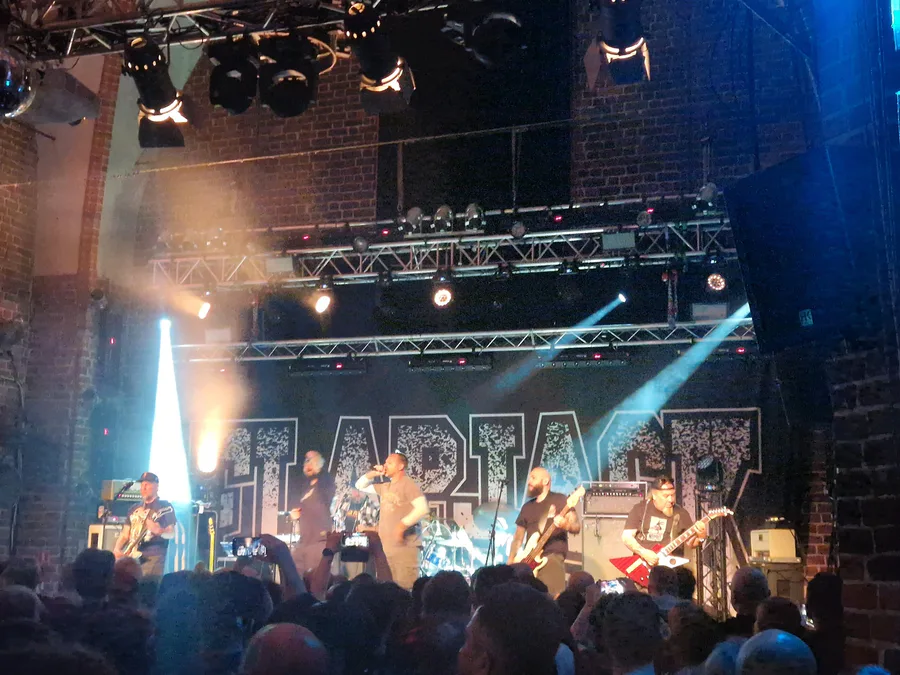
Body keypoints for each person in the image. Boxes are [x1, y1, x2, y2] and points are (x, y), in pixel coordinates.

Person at [355, 452, 430, 589]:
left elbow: (422, 508)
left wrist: (402, 526)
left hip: (404, 550)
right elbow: (360, 485)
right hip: (386, 549)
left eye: (389, 463)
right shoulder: (385, 487)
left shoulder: (407, 483)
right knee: (386, 592)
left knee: (404, 590)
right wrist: (374, 473)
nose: (385, 465)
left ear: (400, 466)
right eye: (385, 462)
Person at [507, 467, 581, 598]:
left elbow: (576, 527)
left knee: (550, 598)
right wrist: (511, 560)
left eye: (533, 478)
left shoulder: (560, 500)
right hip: (529, 561)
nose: (529, 481)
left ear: (545, 481)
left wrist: (565, 524)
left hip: (552, 556)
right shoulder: (527, 507)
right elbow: (518, 538)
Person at [621, 475, 705, 569]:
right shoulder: (640, 509)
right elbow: (626, 538)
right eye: (666, 496)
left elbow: (691, 544)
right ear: (654, 495)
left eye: (672, 495)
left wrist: (701, 537)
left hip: (670, 570)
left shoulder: (681, 513)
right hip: (642, 566)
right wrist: (644, 553)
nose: (671, 499)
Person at [113, 472, 176, 577]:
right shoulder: (134, 508)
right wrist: (117, 549)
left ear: (157, 486)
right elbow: (125, 534)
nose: (144, 487)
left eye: (147, 484)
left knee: (146, 585)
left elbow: (171, 533)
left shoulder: (165, 507)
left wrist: (159, 531)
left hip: (152, 558)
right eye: (142, 484)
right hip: (132, 557)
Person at [289, 451, 336, 573]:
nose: (307, 464)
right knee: (295, 572)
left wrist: (316, 464)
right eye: (306, 461)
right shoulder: (305, 487)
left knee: (316, 575)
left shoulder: (325, 482)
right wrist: (296, 513)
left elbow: (325, 498)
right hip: (304, 540)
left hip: (319, 540)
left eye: (311, 461)